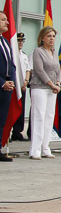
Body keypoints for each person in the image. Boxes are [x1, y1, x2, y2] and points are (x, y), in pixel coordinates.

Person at [28, 26, 60, 159]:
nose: (52, 38)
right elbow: (39, 70)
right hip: (40, 87)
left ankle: (45, 148)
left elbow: (58, 70)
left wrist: (58, 83)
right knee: (39, 117)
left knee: (49, 117)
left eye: (53, 36)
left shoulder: (53, 52)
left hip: (52, 89)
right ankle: (35, 149)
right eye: (49, 36)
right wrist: (51, 84)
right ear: (42, 38)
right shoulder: (38, 51)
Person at [0, 11, 16, 162]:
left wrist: (11, 81)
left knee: (1, 120)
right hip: (0, 84)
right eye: (3, 20)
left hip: (6, 87)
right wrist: (2, 82)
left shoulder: (4, 42)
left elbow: (12, 64)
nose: (7, 22)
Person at [11, 32, 30, 142]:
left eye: (22, 41)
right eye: (19, 41)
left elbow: (28, 70)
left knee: (21, 109)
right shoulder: (12, 54)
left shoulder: (24, 55)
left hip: (22, 86)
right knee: (12, 109)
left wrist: (26, 82)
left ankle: (17, 132)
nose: (21, 43)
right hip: (13, 86)